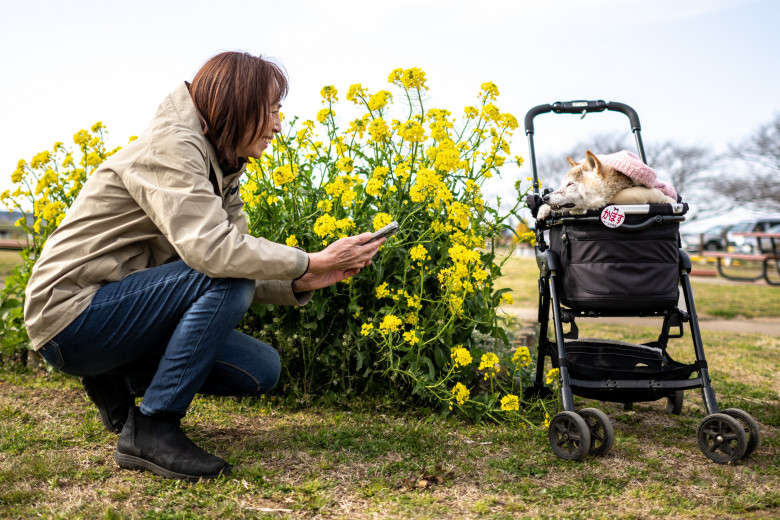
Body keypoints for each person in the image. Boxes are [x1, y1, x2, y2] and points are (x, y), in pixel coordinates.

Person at [24, 51, 383, 481]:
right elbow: (217, 253)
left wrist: (303, 277)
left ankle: (112, 374)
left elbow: (234, 253)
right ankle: (154, 428)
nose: (278, 125)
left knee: (260, 369)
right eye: (271, 111)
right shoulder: (172, 146)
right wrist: (308, 258)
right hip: (70, 316)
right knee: (225, 273)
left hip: (116, 311)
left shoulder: (220, 164)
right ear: (238, 103)